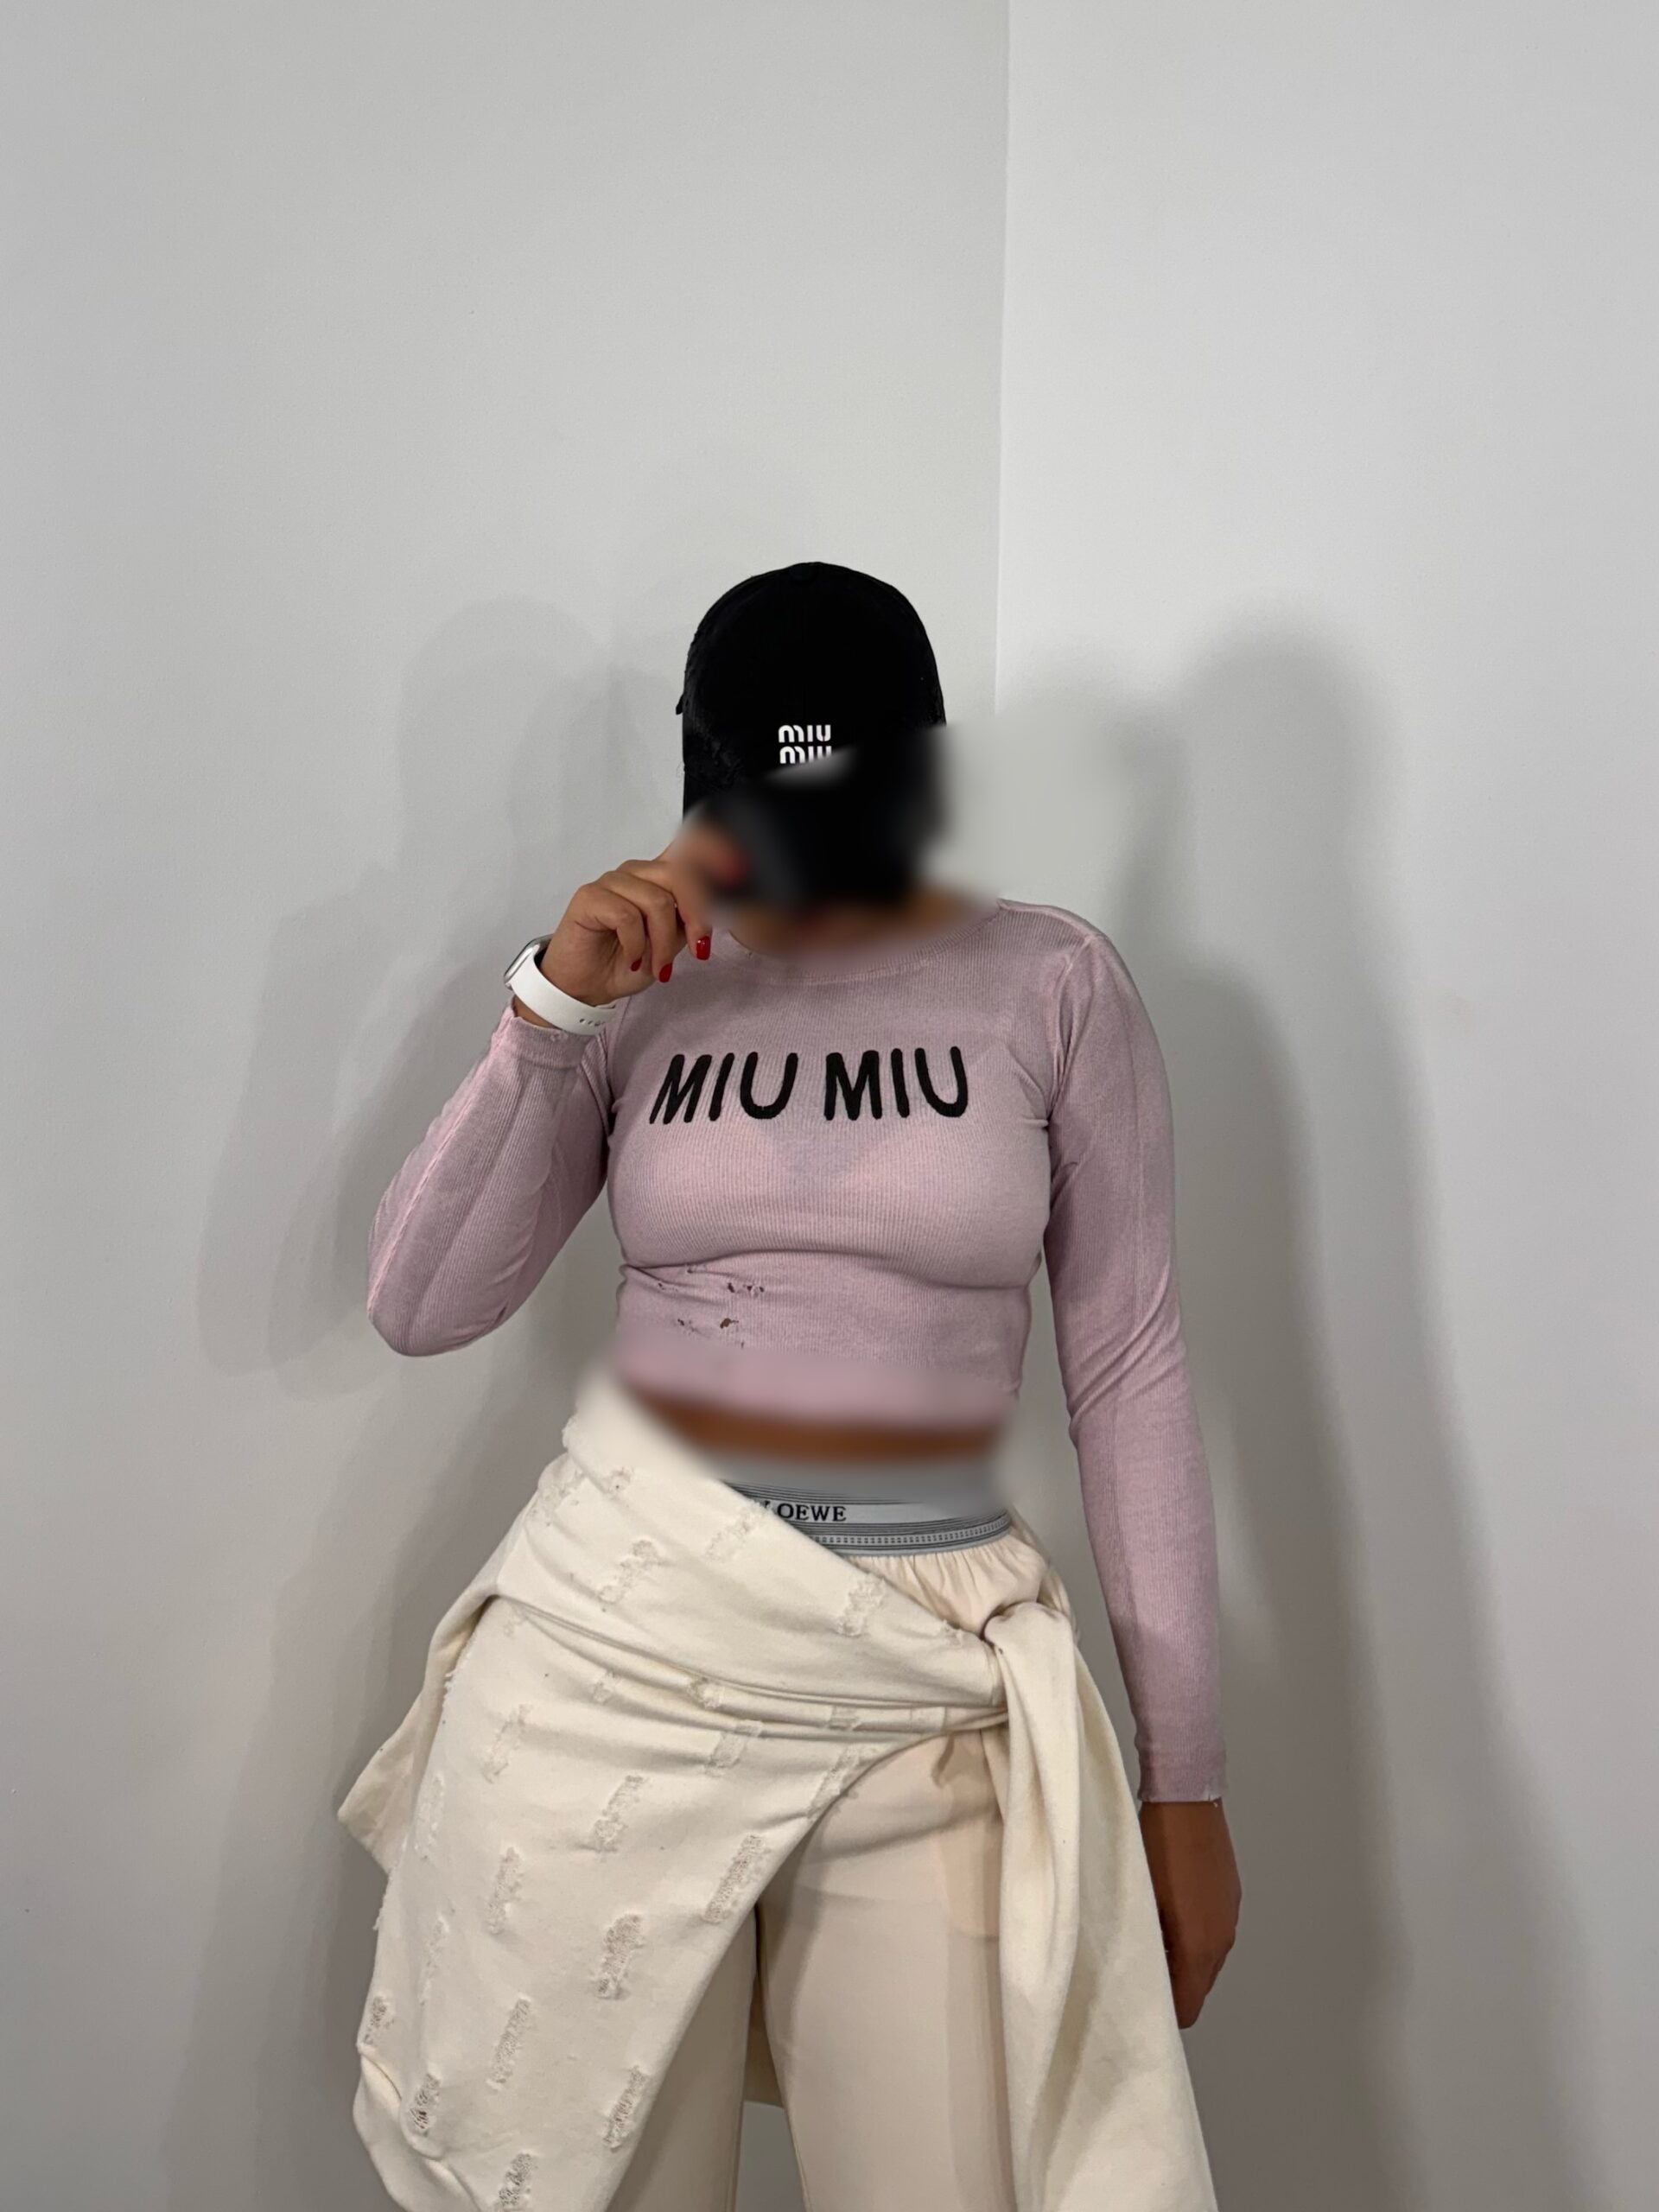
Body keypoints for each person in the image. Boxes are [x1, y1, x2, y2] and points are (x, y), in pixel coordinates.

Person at [340, 562, 1240, 2212]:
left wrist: (1184, 1783)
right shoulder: (638, 977)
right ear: (705, 778)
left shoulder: (1049, 982)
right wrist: (548, 1011)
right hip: (609, 1659)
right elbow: (419, 1304)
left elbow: (1128, 1367)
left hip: (919, 1682)